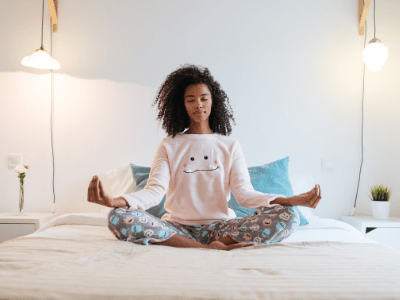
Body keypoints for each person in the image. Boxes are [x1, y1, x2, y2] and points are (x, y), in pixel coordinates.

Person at [87, 64, 322, 251]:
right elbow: (154, 192)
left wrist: (292, 201)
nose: (198, 105)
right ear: (181, 105)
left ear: (213, 101)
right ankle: (203, 248)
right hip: (176, 229)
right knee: (118, 217)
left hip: (222, 228)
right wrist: (114, 201)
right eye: (190, 100)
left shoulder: (230, 145)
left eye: (204, 98)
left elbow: (246, 196)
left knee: (288, 216)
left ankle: (221, 244)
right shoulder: (169, 144)